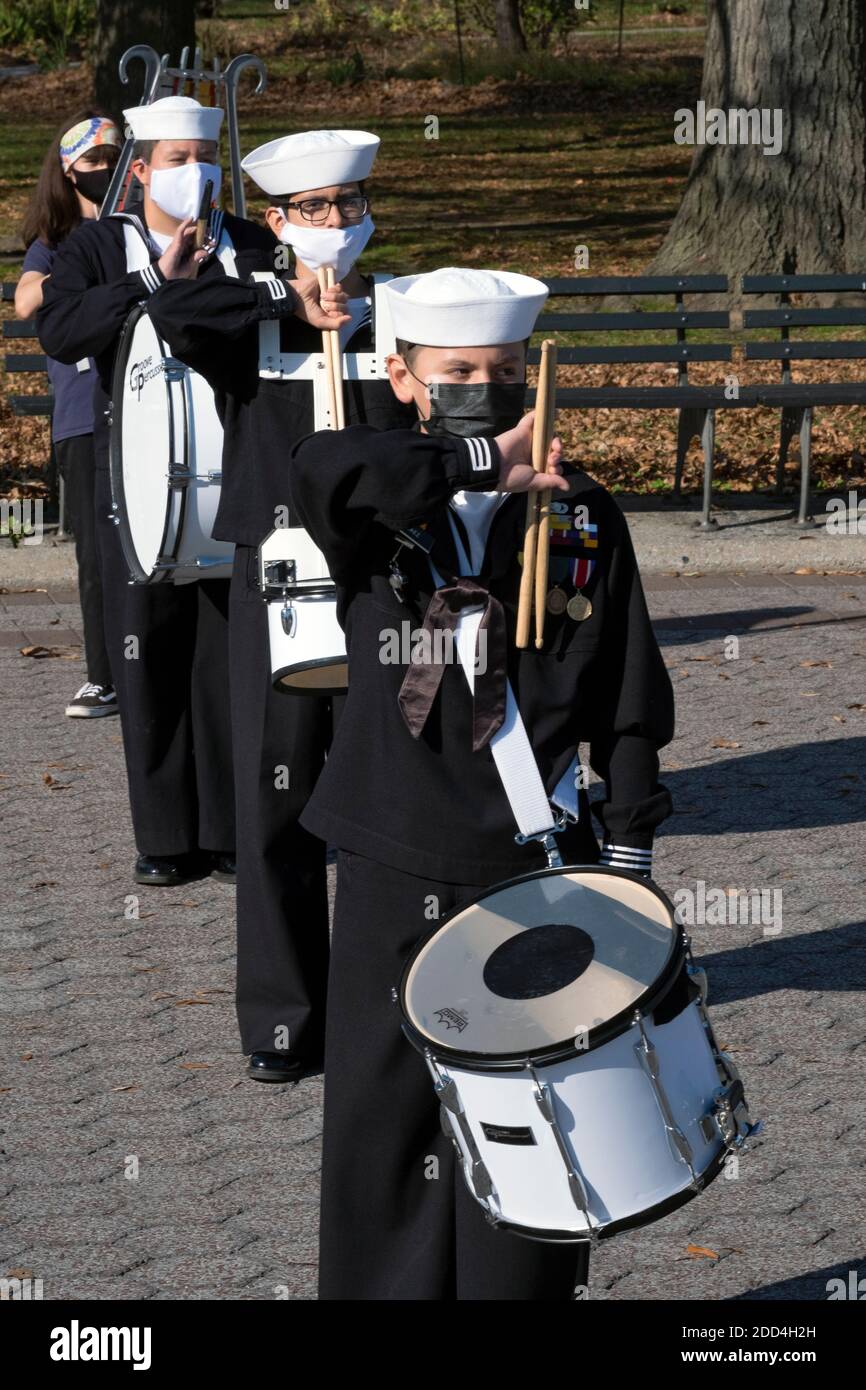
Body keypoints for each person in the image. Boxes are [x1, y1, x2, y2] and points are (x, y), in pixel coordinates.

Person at [287, 267, 676, 1299]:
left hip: (530, 859)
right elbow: (322, 468)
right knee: (386, 1120)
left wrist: (630, 860)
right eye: (456, 371)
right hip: (392, 848)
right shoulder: (375, 512)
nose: (484, 385)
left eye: (505, 372)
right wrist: (475, 461)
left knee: (535, 1134)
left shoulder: (582, 515)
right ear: (402, 378)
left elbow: (626, 698)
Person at [148, 129, 415, 1081]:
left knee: (397, 796)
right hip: (278, 588)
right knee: (278, 804)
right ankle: (283, 1023)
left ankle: (401, 1008)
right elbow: (177, 312)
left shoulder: (400, 313)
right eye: (314, 210)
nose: (336, 224)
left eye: (349, 206)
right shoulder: (248, 318)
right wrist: (278, 287)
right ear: (277, 221)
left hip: (384, 586)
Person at [36, 96, 274, 887]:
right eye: (175, 160)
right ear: (139, 172)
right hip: (134, 481)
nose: (194, 174)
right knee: (149, 656)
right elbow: (62, 330)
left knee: (229, 659)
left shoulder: (243, 241)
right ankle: (167, 837)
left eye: (204, 159)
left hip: (234, 471)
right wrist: (150, 280)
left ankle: (235, 828)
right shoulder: (99, 245)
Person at [16, 110, 122, 718]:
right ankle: (102, 676)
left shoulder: (137, 227)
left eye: (112, 160)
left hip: (142, 410)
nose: (102, 171)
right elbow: (28, 297)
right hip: (84, 418)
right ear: (68, 170)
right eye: (91, 163)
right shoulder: (53, 242)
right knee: (96, 553)